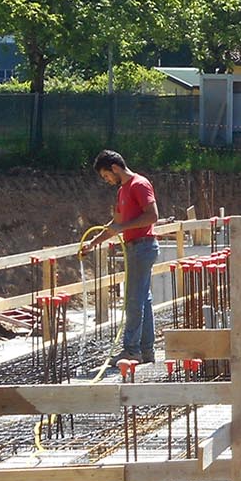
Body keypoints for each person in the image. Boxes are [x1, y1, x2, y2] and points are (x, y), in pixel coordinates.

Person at [89, 149, 160, 364]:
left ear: (115, 168)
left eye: (106, 175)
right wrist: (96, 241)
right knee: (143, 299)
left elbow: (152, 216)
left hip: (143, 246)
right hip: (135, 248)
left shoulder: (139, 184)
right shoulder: (122, 191)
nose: (107, 180)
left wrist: (123, 228)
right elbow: (116, 222)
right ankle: (146, 351)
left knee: (133, 300)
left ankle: (131, 350)